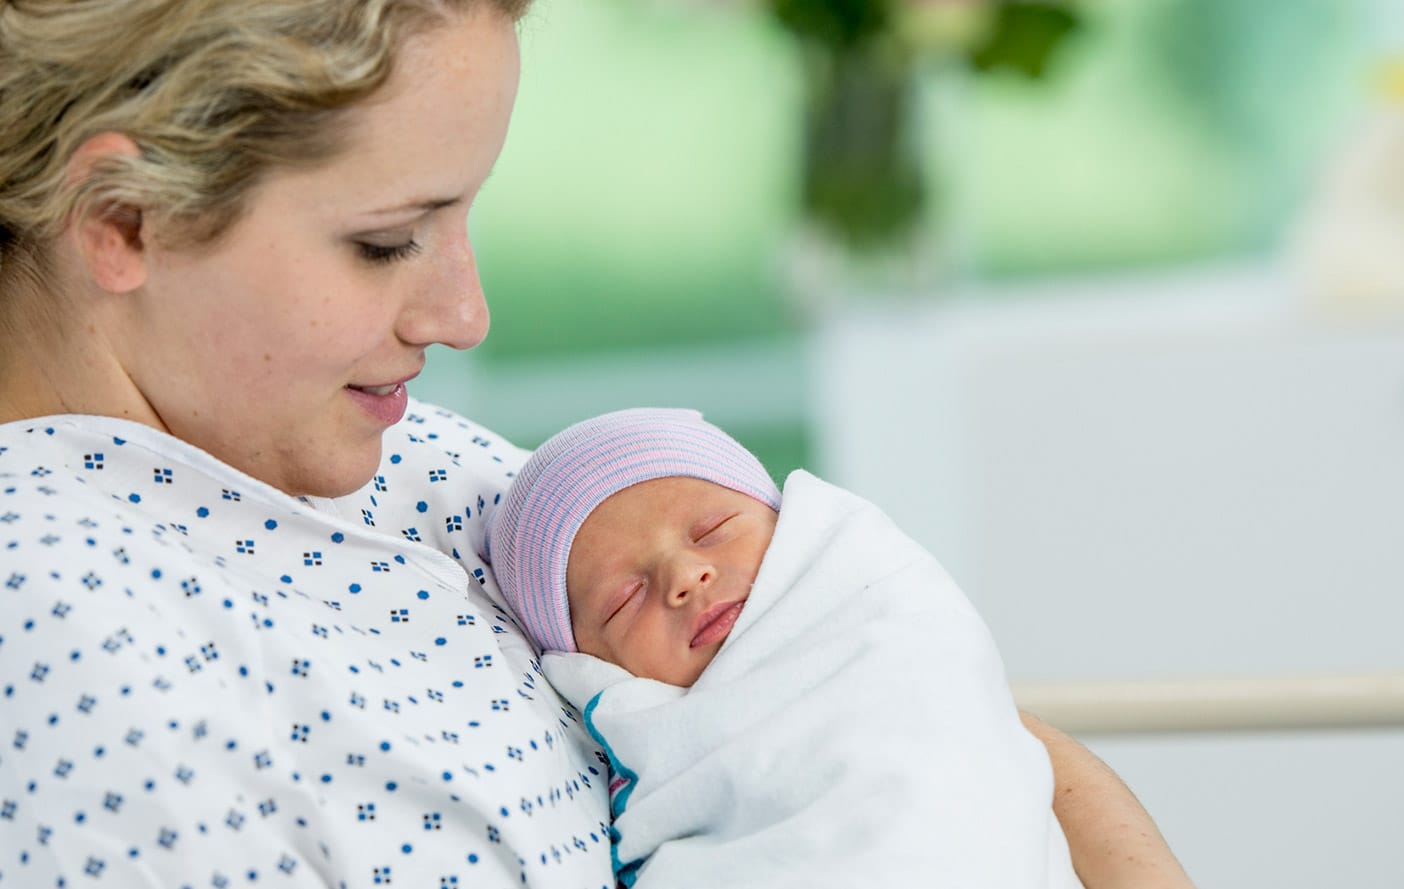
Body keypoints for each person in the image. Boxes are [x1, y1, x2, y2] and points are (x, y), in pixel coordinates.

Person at [0, 1, 1190, 887]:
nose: (462, 317)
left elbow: (915, 710)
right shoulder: (65, 641)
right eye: (384, 242)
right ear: (125, 220)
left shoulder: (407, 459)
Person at [482, 408, 1064, 887]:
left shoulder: (876, 609)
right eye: (625, 598)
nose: (685, 576)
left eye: (713, 531)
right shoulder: (651, 734)